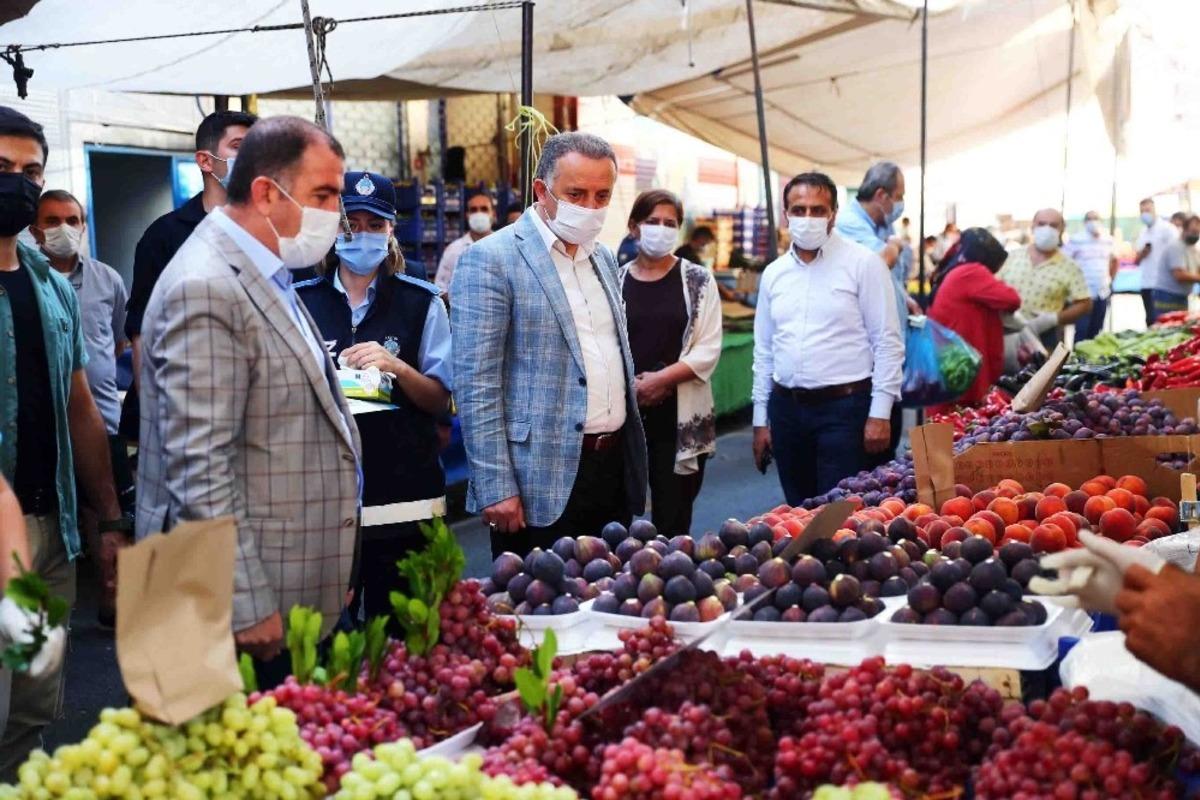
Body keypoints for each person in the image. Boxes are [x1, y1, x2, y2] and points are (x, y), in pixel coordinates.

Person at [135, 116, 361, 685]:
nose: (334, 213)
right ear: (266, 192)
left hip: (296, 583)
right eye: (324, 195)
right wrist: (246, 598)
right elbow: (199, 463)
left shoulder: (270, 272)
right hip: (243, 609)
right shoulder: (206, 287)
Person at [451, 132, 647, 559]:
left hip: (610, 469)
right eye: (576, 194)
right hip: (536, 480)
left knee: (611, 602)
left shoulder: (604, 258)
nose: (590, 208)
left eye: (602, 196)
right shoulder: (491, 259)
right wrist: (495, 485)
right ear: (541, 190)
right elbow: (475, 384)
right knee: (543, 615)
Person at [0, 106, 123, 778]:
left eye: (31, 172)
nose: (18, 185)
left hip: (51, 534)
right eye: (2, 170)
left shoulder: (52, 284)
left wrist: (108, 519)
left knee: (33, 701)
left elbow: (81, 407)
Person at [296, 172, 452, 625]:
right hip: (325, 505)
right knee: (326, 651)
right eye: (350, 224)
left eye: (373, 224)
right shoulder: (299, 301)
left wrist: (399, 368)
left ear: (390, 231)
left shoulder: (422, 303)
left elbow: (441, 401)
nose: (360, 234)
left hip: (406, 497)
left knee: (407, 648)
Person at [752, 171, 903, 506]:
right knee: (797, 511)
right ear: (786, 213)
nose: (808, 218)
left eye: (818, 210)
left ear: (834, 213)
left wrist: (880, 413)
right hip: (787, 411)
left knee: (839, 515)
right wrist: (761, 420)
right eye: (799, 209)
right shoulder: (774, 274)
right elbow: (764, 351)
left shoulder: (864, 264)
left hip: (845, 410)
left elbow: (888, 344)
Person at [121, 110, 257, 443]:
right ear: (206, 161)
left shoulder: (273, 236)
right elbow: (143, 333)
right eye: (241, 146)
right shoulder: (165, 236)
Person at [30, 189, 133, 626]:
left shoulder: (108, 279)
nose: (64, 230)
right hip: (47, 426)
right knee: (52, 515)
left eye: (72, 220)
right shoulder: (24, 281)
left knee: (107, 514)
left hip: (102, 419)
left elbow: (118, 339)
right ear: (36, 230)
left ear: (84, 225)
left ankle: (116, 605)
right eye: (53, 221)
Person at [618, 189, 722, 536]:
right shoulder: (614, 280)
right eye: (652, 222)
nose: (661, 230)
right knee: (616, 522)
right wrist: (634, 387)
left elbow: (707, 348)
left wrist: (660, 380)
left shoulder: (698, 281)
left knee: (673, 523)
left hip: (680, 417)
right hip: (623, 416)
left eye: (670, 224)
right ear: (634, 227)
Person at [835, 161, 916, 465]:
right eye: (899, 195)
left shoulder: (881, 224)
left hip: (887, 346)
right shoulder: (849, 223)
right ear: (882, 195)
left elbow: (887, 281)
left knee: (887, 445)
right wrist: (895, 245)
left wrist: (904, 298)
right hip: (864, 354)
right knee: (871, 448)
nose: (900, 204)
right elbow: (879, 262)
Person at [926, 228, 1021, 411]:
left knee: (943, 428)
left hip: (950, 366)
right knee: (959, 430)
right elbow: (1012, 299)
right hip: (962, 372)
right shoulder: (971, 272)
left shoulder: (953, 270)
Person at [996, 208, 1091, 350]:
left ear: (1062, 229)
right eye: (1042, 224)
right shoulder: (1011, 257)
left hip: (1044, 336)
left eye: (1053, 225)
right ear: (1033, 227)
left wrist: (1054, 319)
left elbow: (1085, 303)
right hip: (1006, 332)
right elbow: (993, 285)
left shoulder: (1069, 267)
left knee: (1042, 371)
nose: (1047, 229)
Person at [1062, 210, 1118, 341]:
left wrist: (1110, 280)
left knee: (1097, 330)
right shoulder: (1077, 240)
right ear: (1085, 222)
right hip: (1083, 294)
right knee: (1082, 330)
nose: (1093, 222)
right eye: (1090, 219)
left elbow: (1114, 260)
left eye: (1096, 218)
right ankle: (1079, 360)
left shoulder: (1108, 240)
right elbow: (1065, 262)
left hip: (1102, 292)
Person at [434, 190, 495, 296]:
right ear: (467, 215)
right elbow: (439, 288)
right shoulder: (453, 250)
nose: (479, 213)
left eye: (484, 209)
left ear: (493, 214)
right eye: (474, 210)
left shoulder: (505, 246)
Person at [1134, 198, 1178, 327]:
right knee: (1150, 321)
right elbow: (1136, 260)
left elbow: (1176, 253)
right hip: (1146, 283)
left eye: (1147, 210)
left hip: (1162, 285)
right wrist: (1143, 253)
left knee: (1164, 323)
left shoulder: (1167, 229)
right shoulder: (1143, 232)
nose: (1144, 214)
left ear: (1154, 210)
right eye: (1142, 211)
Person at [1154, 214, 1200, 318]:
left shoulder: (1193, 249)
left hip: (1181, 297)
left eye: (1198, 232)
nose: (1196, 235)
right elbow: (1179, 275)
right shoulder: (1175, 246)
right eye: (1193, 232)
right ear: (1185, 229)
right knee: (1167, 329)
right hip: (1167, 296)